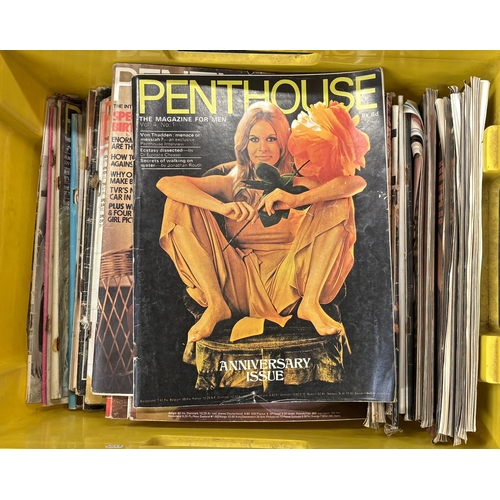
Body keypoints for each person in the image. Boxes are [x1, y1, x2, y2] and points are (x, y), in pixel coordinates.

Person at [156, 101, 367, 343]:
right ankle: (216, 305)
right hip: (237, 283)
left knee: (338, 200)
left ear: (283, 143)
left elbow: (355, 184)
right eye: (254, 139)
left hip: (291, 284)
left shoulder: (296, 181)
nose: (262, 148)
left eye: (271, 139)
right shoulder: (231, 183)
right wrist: (222, 207)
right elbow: (166, 183)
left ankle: (310, 305)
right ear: (244, 144)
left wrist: (297, 199)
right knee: (178, 203)